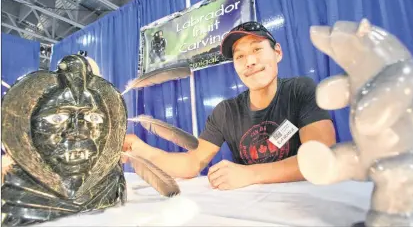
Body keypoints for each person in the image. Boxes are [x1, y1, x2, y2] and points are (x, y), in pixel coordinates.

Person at [123, 21, 336, 190]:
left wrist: (250, 174)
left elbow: (321, 156)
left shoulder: (300, 91)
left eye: (257, 49)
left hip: (305, 201)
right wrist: (140, 149)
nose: (249, 62)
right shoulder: (225, 112)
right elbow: (191, 163)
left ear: (277, 52)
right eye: (240, 56)